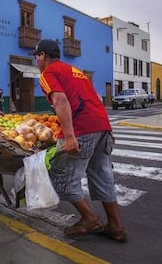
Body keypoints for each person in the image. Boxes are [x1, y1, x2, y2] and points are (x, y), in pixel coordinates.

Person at [32, 39, 127, 243]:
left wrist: (69, 136)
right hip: (102, 127)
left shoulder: (48, 73)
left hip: (83, 129)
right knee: (102, 175)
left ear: (42, 56)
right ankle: (116, 227)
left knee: (61, 177)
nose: (36, 61)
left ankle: (90, 219)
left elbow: (60, 100)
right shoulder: (74, 70)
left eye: (36, 56)